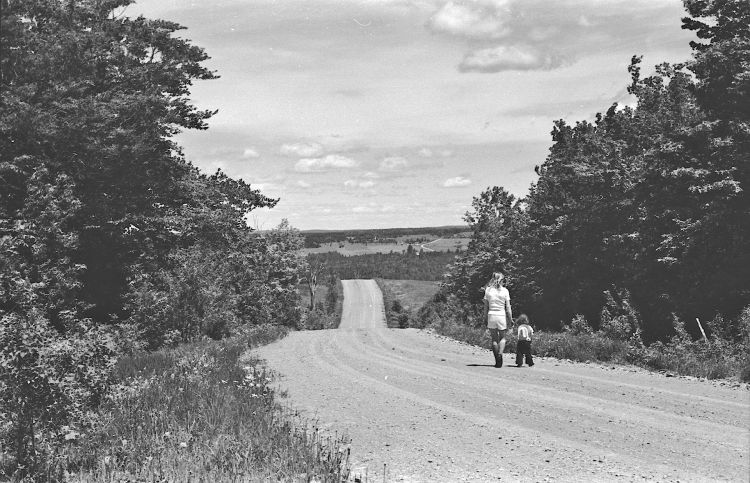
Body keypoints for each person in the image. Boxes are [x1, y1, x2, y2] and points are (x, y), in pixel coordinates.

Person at [483, 272, 512, 368]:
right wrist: (510, 319)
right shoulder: (505, 291)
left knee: (494, 339)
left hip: (491, 315)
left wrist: (485, 318)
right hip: (501, 315)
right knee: (503, 337)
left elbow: (486, 307)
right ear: (502, 280)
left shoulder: (488, 290)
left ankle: (497, 359)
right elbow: (508, 307)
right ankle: (500, 354)